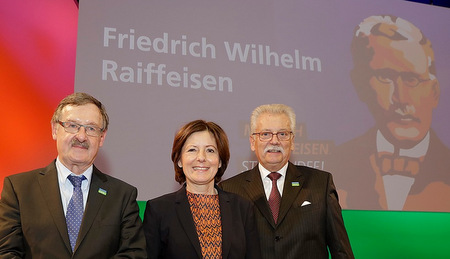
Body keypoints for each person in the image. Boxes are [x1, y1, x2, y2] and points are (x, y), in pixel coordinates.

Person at [0, 92, 147, 258]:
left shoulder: (122, 195)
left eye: (91, 128)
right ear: (55, 130)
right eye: (72, 125)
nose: (82, 136)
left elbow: (133, 254)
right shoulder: (19, 189)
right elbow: (6, 252)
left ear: (101, 138)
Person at [330, 15, 450, 211]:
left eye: (412, 79)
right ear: (361, 86)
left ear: (434, 92)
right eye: (385, 77)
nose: (400, 98)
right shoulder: (334, 164)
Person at [219, 104, 354, 259]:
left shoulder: (321, 183)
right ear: (252, 141)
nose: (274, 141)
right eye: (265, 134)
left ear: (292, 141)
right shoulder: (230, 190)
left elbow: (341, 251)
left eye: (282, 134)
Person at [143, 120, 261, 259]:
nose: (201, 158)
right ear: (179, 160)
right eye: (192, 150)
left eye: (210, 150)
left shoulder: (243, 208)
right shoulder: (159, 210)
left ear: (220, 161)